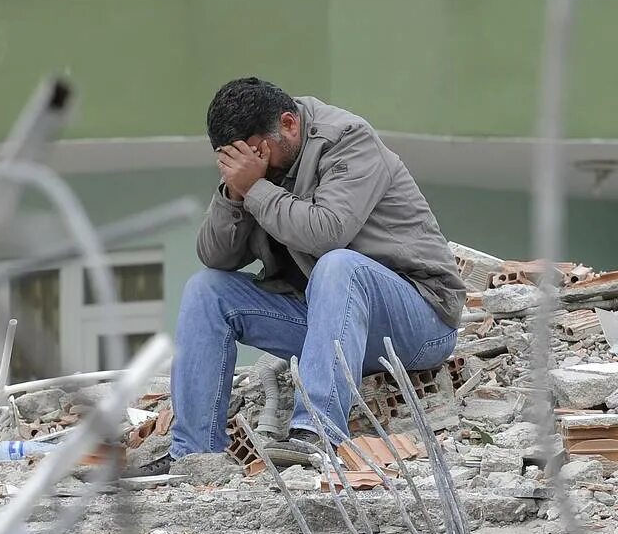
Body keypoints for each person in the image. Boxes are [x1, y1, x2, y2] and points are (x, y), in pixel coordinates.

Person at [156, 77, 465, 477]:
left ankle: (314, 433)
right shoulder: (257, 169)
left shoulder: (348, 140)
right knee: (206, 290)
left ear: (288, 124)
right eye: (234, 159)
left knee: (339, 264)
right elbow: (216, 256)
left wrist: (255, 188)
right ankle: (194, 455)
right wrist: (234, 194)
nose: (254, 164)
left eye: (256, 153)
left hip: (420, 322)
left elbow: (327, 232)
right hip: (331, 326)